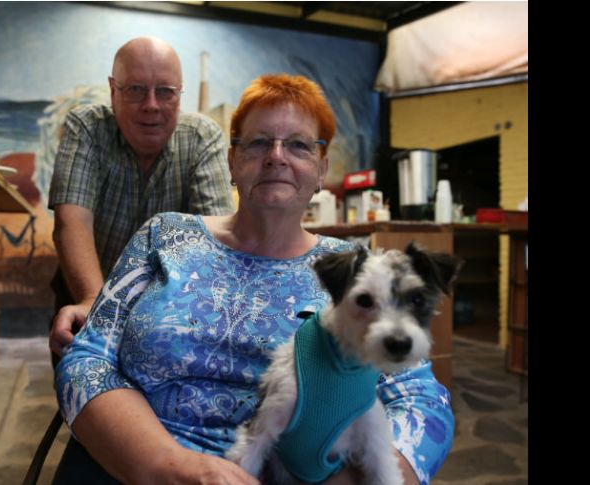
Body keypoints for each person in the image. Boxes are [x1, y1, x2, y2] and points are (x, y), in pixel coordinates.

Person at [54, 74, 454, 485]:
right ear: (231, 161)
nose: (276, 156)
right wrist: (168, 467)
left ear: (322, 170)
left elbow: (423, 399)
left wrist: (356, 481)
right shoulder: (165, 235)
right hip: (133, 465)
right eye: (259, 141)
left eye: (298, 144)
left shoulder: (358, 270)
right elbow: (87, 360)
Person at [47, 36, 235, 366]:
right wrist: (94, 300)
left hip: (171, 309)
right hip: (85, 291)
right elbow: (70, 222)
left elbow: (216, 243)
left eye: (165, 92)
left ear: (180, 93)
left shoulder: (203, 137)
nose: (151, 105)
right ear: (113, 90)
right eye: (136, 90)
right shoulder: (87, 128)